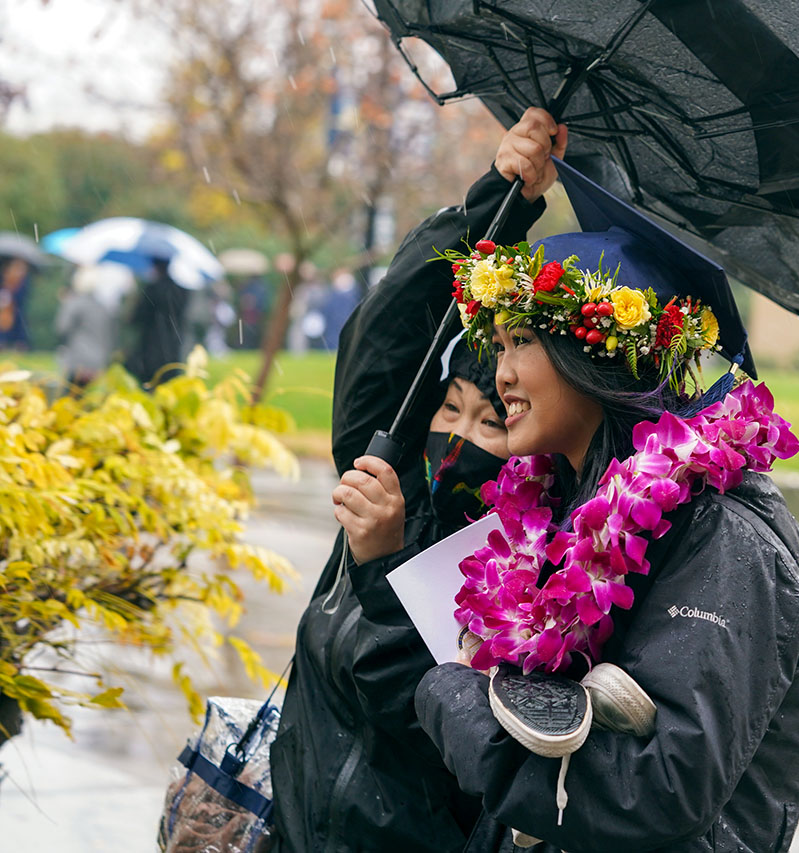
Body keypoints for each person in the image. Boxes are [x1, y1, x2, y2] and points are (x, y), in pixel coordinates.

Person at [409, 161, 799, 852]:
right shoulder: (549, 512)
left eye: (524, 342)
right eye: (499, 343)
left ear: (597, 356)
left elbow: (659, 791)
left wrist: (471, 723)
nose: (501, 372)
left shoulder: (724, 537)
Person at [269, 107, 568, 853]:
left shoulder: (530, 564)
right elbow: (380, 342)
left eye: (490, 423)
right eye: (450, 408)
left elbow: (419, 709)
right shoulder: (395, 484)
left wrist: (386, 560)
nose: (459, 435)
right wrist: (497, 203)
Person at [123, 256, 189, 385]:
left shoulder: (152, 289)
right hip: (173, 346)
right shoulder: (181, 290)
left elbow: (136, 319)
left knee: (148, 384)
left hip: (151, 345)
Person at [55, 265, 119, 388]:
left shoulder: (74, 303)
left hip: (77, 361)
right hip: (98, 362)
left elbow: (61, 328)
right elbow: (111, 336)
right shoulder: (103, 307)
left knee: (72, 397)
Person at [0, 257, 33, 350]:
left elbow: (23, 295)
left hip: (17, 308)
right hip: (5, 308)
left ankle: (20, 344)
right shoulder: (5, 276)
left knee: (19, 326)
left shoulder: (24, 280)